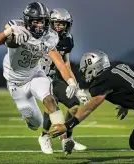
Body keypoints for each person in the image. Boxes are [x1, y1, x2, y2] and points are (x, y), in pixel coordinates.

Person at [49, 50, 134, 163]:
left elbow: (88, 108)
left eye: (86, 69)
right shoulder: (117, 65)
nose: (85, 73)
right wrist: (125, 105)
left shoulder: (102, 81)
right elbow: (130, 86)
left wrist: (67, 126)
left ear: (94, 67)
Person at [0, 2, 78, 155]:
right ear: (27, 21)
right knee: (35, 122)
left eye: (43, 21)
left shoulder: (50, 36)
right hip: (15, 81)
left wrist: (71, 82)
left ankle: (63, 138)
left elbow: (59, 62)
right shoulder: (17, 28)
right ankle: (33, 122)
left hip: (35, 75)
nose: (40, 25)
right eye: (36, 21)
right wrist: (9, 33)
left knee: (50, 100)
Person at [40, 8, 88, 152]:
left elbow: (66, 64)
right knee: (52, 105)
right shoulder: (43, 37)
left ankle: (68, 138)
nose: (60, 26)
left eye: (63, 24)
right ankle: (47, 136)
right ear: (50, 23)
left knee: (74, 106)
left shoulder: (68, 39)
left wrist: (75, 86)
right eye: (56, 23)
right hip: (40, 77)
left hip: (54, 77)